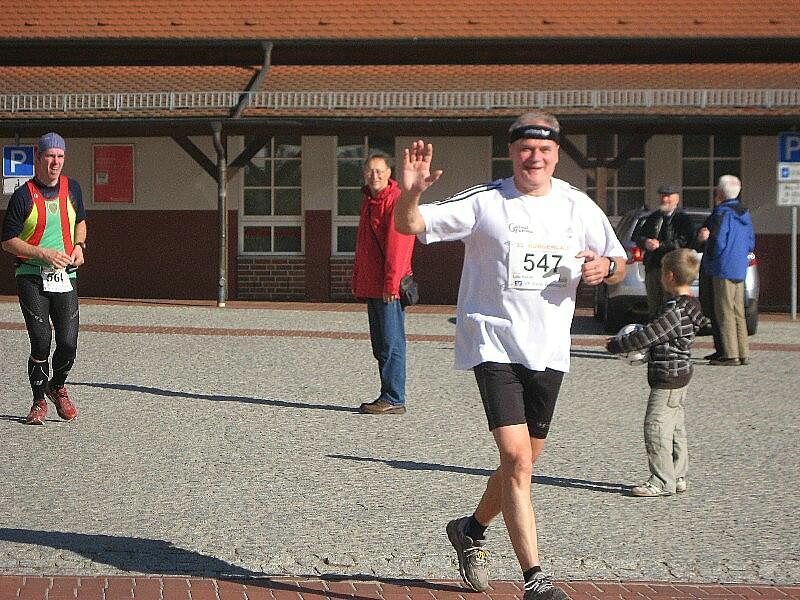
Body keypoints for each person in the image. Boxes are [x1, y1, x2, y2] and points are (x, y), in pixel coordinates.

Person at [394, 112, 626, 600]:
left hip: (549, 350)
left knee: (521, 463)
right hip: (492, 342)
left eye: (543, 150)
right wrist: (410, 193)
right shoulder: (486, 201)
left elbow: (618, 261)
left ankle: (471, 530)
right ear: (512, 152)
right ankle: (535, 579)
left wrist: (605, 268)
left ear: (556, 155)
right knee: (518, 460)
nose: (533, 158)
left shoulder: (577, 206)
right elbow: (410, 223)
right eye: (525, 149)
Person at [606, 248, 710, 497]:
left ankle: (662, 481)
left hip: (668, 376)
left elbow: (649, 335)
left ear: (670, 276)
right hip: (680, 374)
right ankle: (678, 474)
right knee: (674, 427)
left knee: (655, 426)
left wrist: (617, 345)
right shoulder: (691, 305)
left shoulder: (675, 311)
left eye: (663, 272)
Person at [1, 132, 87, 425]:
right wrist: (42, 253)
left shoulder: (72, 188)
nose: (55, 162)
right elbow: (8, 241)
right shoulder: (23, 195)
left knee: (68, 343)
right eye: (50, 156)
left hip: (65, 276)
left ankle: (57, 386)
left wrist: (79, 246)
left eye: (60, 156)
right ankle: (38, 401)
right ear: (38, 157)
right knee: (41, 340)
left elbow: (81, 222)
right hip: (31, 276)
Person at [352, 153, 416, 414]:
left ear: (389, 173)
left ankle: (394, 397)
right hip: (373, 285)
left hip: (388, 288)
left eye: (379, 171)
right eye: (370, 171)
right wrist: (359, 280)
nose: (374, 175)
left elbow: (398, 247)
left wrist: (391, 284)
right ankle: (387, 394)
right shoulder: (369, 201)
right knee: (380, 344)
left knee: (391, 343)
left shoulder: (394, 201)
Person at [696, 175, 755, 366]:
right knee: (738, 310)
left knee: (724, 311)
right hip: (739, 267)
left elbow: (719, 240)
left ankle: (730, 354)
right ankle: (743, 352)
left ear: (720, 193)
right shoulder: (744, 214)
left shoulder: (722, 213)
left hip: (722, 267)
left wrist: (709, 249)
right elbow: (751, 242)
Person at [636, 184, 695, 317]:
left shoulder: (682, 219)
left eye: (668, 196)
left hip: (672, 269)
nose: (664, 199)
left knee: (670, 306)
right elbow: (638, 236)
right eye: (662, 196)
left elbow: (684, 241)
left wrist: (661, 245)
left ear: (676, 199)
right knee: (653, 306)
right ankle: (653, 327)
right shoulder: (654, 217)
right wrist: (646, 242)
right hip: (653, 267)